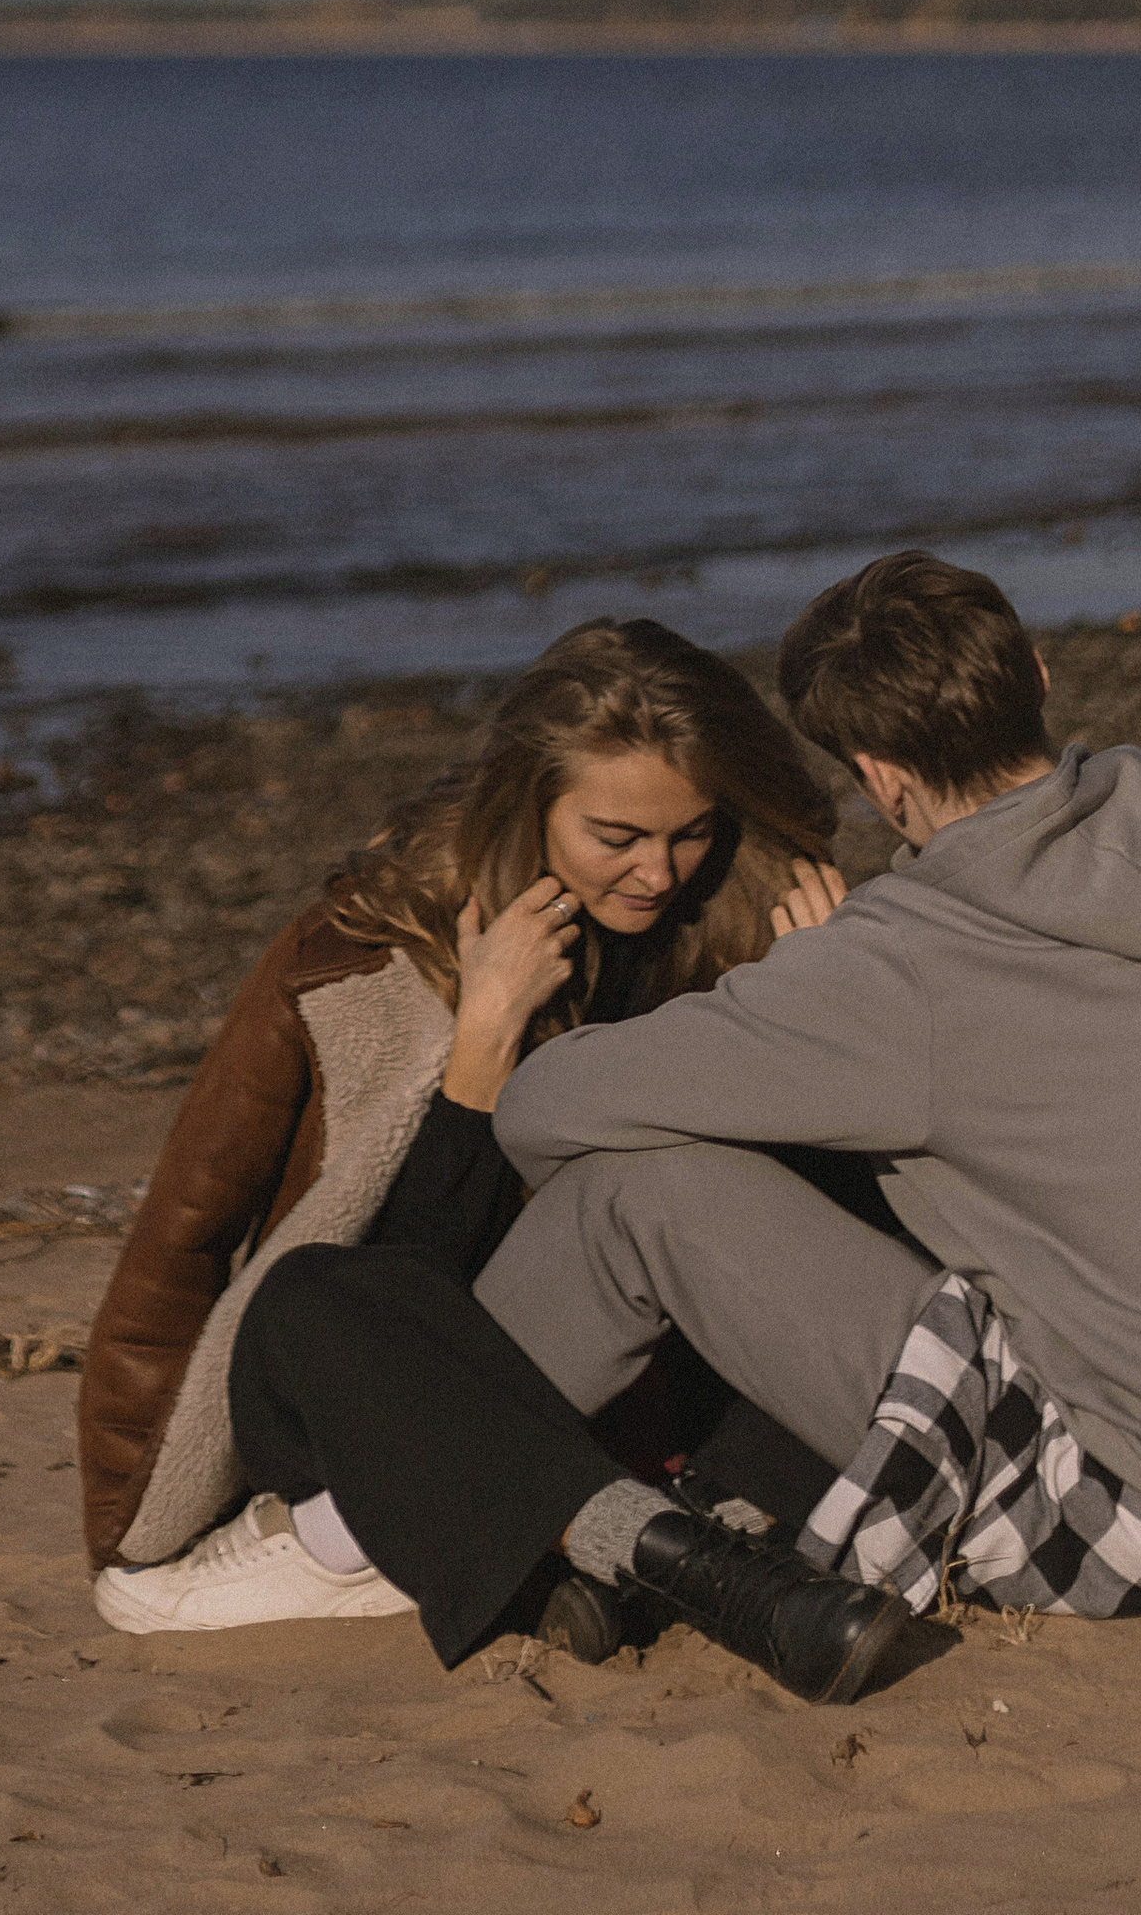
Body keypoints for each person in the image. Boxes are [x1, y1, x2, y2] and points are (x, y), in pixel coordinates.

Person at [465, 550, 1141, 1641]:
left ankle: (425, 1482)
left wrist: (790, 991)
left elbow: (543, 1108)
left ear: (879, 775)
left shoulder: (905, 965)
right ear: (1036, 677)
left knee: (632, 1196)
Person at [79, 613, 840, 1635]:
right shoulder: (364, 955)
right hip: (396, 1386)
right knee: (313, 1298)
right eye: (615, 839)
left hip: (650, 1394)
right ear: (530, 807)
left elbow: (809, 1235)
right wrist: (481, 1048)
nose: (659, 875)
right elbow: (199, 1233)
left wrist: (819, 1013)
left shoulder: (761, 934)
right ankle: (517, 1536)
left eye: (691, 833)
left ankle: (521, 1545)